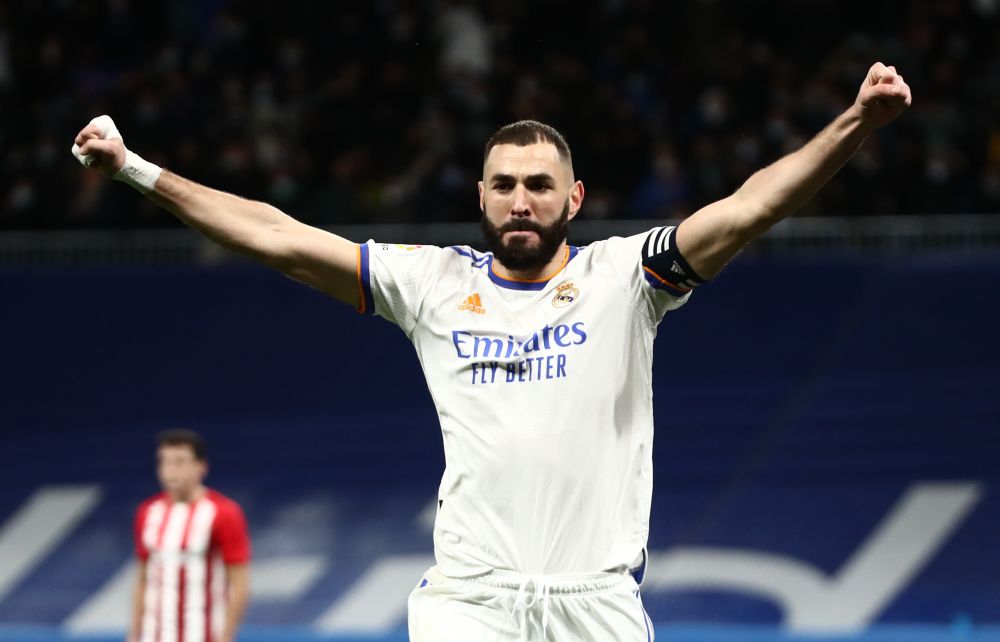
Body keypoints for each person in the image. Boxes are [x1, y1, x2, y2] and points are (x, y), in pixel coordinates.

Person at [74, 62, 910, 641]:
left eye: (539, 185)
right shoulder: (430, 283)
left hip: (595, 604)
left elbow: (746, 210)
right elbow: (278, 236)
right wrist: (138, 171)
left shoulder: (628, 277)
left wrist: (855, 124)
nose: (520, 201)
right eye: (504, 185)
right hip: (470, 603)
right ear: (479, 195)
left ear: (573, 198)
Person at [129, 429, 251, 642]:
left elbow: (239, 583)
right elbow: (143, 579)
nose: (171, 471)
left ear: (201, 467)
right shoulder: (147, 512)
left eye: (180, 462)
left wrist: (226, 637)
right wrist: (133, 634)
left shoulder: (223, 512)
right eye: (165, 462)